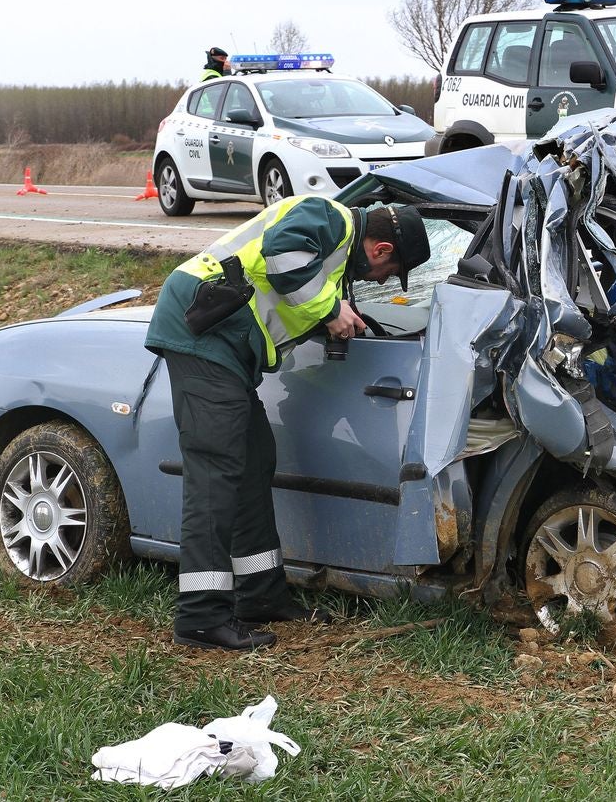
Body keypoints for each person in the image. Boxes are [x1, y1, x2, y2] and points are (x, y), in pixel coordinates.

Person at [144, 196, 431, 651]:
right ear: (379, 251)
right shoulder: (329, 218)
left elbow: (283, 291)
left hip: (226, 344)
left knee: (255, 460)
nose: (382, 281)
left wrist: (333, 313)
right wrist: (330, 311)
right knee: (215, 474)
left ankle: (260, 595)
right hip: (201, 331)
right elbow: (281, 255)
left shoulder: (333, 256)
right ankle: (200, 616)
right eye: (389, 274)